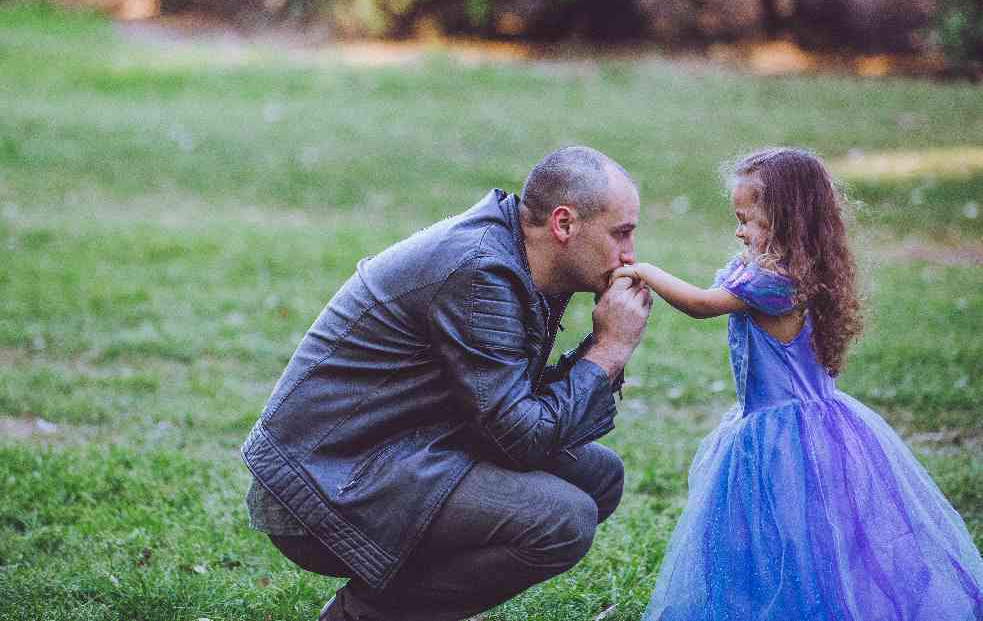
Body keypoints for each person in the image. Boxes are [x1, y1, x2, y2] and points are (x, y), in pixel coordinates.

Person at [240, 146, 653, 621]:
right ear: (563, 224)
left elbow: (517, 419)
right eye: (620, 234)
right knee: (561, 520)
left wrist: (604, 349)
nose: (630, 255)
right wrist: (609, 350)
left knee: (597, 477)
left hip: (405, 451)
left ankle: (392, 604)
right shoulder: (481, 272)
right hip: (324, 485)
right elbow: (522, 439)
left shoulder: (523, 259)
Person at [612, 148, 983, 620]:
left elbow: (702, 304)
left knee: (800, 536)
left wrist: (645, 271)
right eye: (737, 218)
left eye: (749, 220)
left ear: (787, 221)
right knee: (788, 534)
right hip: (801, 426)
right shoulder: (790, 274)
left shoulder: (775, 285)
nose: (739, 230)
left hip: (786, 437)